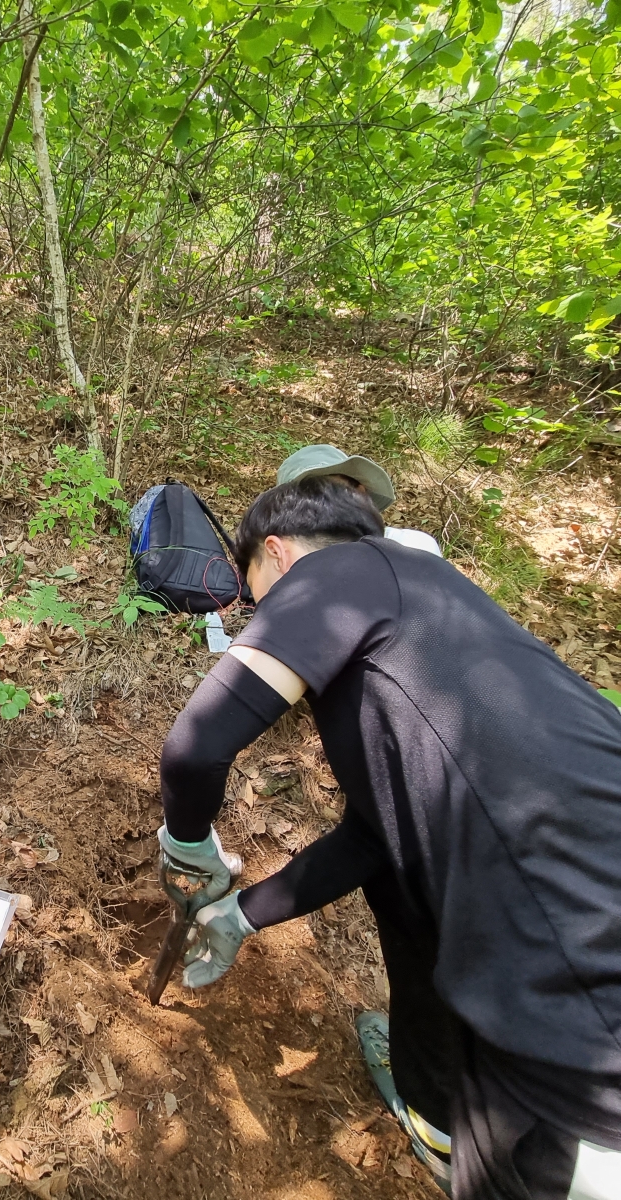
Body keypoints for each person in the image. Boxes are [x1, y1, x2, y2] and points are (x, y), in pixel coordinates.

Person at [156, 475, 621, 1199]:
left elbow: (195, 746)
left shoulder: (338, 574)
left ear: (278, 557)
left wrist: (185, 846)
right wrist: (242, 916)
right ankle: (436, 1126)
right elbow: (376, 840)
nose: (256, 621)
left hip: (576, 975)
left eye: (253, 599)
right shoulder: (439, 614)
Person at [277, 442, 443, 556]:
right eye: (308, 498)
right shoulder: (284, 562)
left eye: (334, 491)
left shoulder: (411, 547)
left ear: (361, 492)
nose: (321, 505)